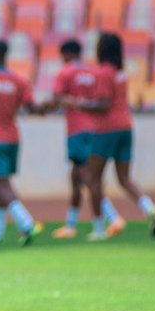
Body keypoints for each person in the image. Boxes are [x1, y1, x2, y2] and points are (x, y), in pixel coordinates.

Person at [87, 32, 155, 237]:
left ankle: (99, 228)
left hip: (106, 129)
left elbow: (103, 105)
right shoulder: (121, 73)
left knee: (92, 178)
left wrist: (77, 104)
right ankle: (148, 207)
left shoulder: (104, 73)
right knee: (124, 178)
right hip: (125, 127)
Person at [0, 40, 42, 246]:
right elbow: (31, 106)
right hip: (13, 137)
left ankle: (26, 223)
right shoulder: (19, 80)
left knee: (1, 185)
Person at [49, 39, 105, 240]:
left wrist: (48, 107)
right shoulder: (93, 72)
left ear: (67, 54)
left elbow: (56, 97)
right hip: (95, 128)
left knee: (88, 177)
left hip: (77, 130)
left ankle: (106, 220)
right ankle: (71, 224)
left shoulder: (66, 72)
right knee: (76, 177)